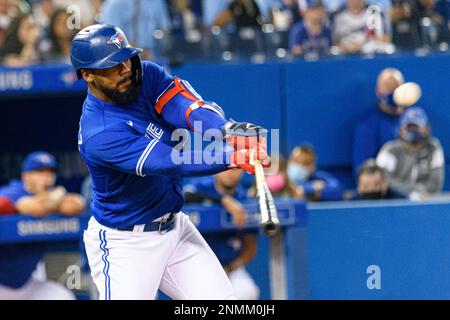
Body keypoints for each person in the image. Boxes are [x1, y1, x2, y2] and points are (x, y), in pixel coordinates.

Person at [70, 24, 269, 300]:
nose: (125, 68)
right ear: (88, 75)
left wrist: (226, 131)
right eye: (112, 65)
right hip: (125, 243)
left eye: (125, 58)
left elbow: (187, 108)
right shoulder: (99, 132)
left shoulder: (144, 76)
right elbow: (170, 160)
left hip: (174, 229)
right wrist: (233, 157)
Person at [0, 151, 85, 300]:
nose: (47, 177)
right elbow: (34, 207)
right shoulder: (11, 192)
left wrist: (56, 197)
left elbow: (76, 205)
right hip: (2, 284)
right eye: (40, 172)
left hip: (25, 283)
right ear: (25, 176)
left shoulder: (52, 195)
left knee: (63, 297)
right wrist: (58, 195)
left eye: (50, 172)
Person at [184, 170, 260, 300]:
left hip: (228, 268)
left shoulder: (243, 199)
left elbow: (250, 247)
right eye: (225, 168)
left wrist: (230, 268)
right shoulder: (202, 186)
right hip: (197, 266)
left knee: (247, 291)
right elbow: (186, 195)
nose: (229, 173)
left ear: (241, 172)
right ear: (216, 170)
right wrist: (222, 200)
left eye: (234, 169)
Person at [376, 106, 444, 199]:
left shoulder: (433, 148)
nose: (412, 130)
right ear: (400, 130)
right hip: (394, 203)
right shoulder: (389, 150)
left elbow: (435, 183)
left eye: (416, 127)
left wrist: (418, 194)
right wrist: (411, 194)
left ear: (426, 128)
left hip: (425, 203)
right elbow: (384, 180)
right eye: (409, 127)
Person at [352, 68, 407, 178]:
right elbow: (363, 169)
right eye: (388, 89)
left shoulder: (414, 119)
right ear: (378, 92)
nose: (392, 94)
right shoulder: (368, 124)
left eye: (396, 88)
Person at [101, 0, 171, 59]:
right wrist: (142, 52)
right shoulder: (113, 5)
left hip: (157, 57)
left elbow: (165, 28)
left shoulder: (157, 1)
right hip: (128, 61)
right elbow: (113, 38)